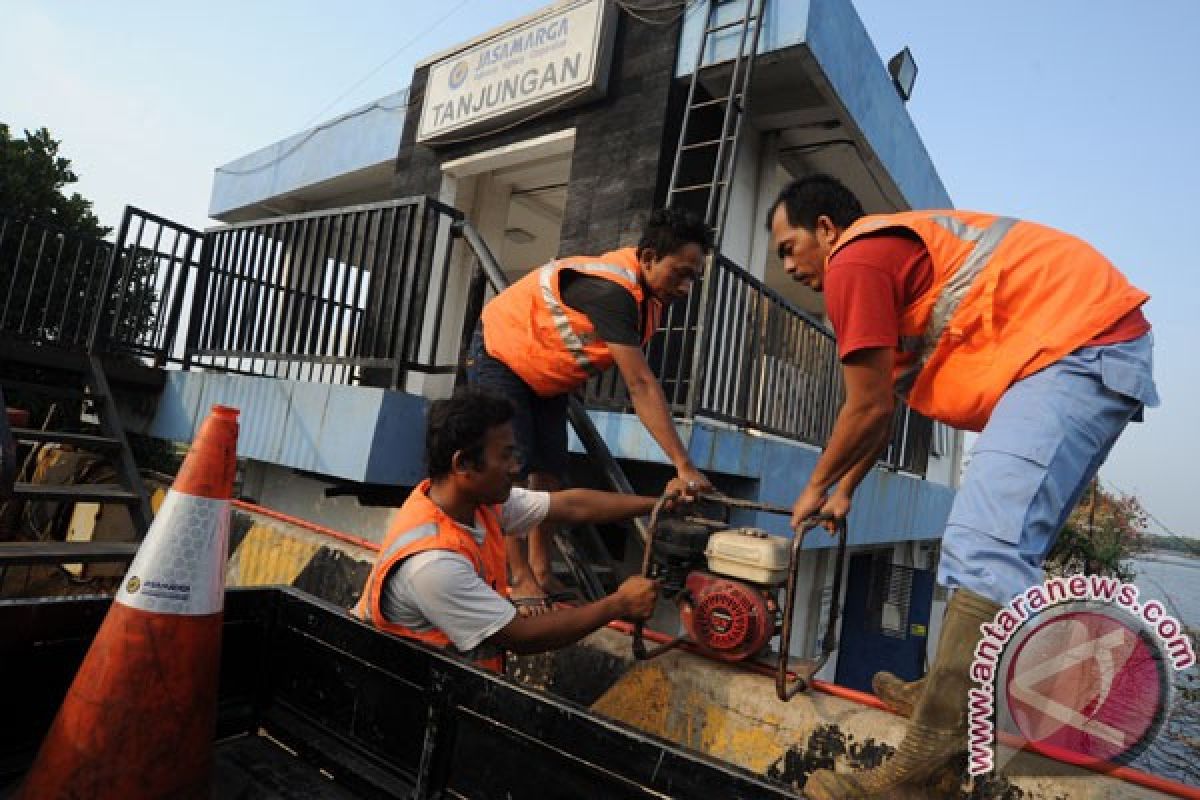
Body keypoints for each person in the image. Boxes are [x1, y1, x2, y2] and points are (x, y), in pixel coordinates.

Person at [766, 174, 1158, 799]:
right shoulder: (885, 267)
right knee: (992, 547)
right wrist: (845, 491)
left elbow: (863, 408)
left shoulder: (856, 259)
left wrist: (814, 487)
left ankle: (921, 776)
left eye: (788, 246)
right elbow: (884, 404)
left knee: (985, 547)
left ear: (825, 230)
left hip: (1077, 351)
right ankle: (947, 699)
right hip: (1090, 349)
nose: (787, 264)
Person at [468, 208, 714, 611]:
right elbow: (640, 383)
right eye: (680, 273)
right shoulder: (612, 291)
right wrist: (682, 465)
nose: (686, 288)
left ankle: (542, 569)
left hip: (544, 373)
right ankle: (519, 577)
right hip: (502, 353)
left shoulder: (649, 295)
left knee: (549, 471)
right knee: (507, 469)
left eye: (693, 278)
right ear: (649, 258)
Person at [354, 387, 673, 672]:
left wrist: (659, 503)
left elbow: (572, 506)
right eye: (505, 455)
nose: (516, 467)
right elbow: (522, 637)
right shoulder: (433, 565)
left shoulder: (477, 502)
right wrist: (618, 604)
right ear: (463, 464)